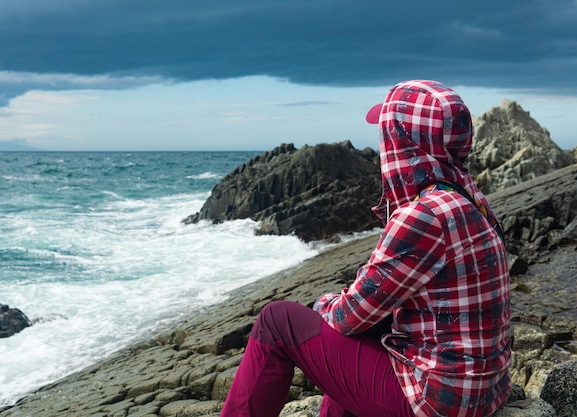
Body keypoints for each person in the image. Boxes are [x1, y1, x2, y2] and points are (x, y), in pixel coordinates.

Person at [219, 80, 511, 417]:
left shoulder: (424, 213)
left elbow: (349, 315)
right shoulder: (471, 199)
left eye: (385, 134)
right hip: (484, 390)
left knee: (276, 320)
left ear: (402, 142)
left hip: (439, 401)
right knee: (371, 334)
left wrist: (322, 305)